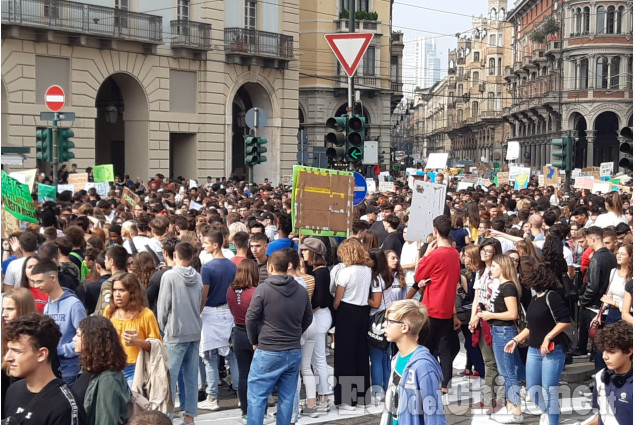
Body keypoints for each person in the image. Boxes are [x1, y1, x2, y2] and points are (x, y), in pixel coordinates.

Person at [245, 250, 313, 425]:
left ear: (270, 267)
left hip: (268, 348)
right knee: (287, 397)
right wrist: (295, 333)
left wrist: (255, 341)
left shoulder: (264, 289)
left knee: (257, 397)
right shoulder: (300, 289)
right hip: (293, 349)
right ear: (288, 266)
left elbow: (251, 318)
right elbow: (308, 318)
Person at [505, 263, 571, 425]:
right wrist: (516, 339)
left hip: (552, 351)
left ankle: (552, 420)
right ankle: (548, 412)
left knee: (549, 390)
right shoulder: (535, 299)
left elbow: (565, 320)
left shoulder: (552, 297)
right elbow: (530, 326)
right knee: (533, 389)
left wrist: (548, 337)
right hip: (534, 350)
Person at [410, 215, 461, 396]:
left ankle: (427, 379)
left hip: (431, 307)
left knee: (425, 347)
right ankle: (445, 383)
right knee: (445, 348)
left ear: (435, 231)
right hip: (447, 307)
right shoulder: (455, 254)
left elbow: (418, 276)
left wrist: (425, 255)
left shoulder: (436, 254)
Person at [3, 313, 87, 424]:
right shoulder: (13, 391)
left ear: (42, 354)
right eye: (8, 350)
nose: (7, 358)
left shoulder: (65, 406)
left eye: (17, 351)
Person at [157, 242, 203, 425]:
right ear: (191, 257)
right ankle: (190, 417)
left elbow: (163, 306)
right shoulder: (198, 277)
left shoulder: (169, 276)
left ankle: (167, 417)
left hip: (175, 332)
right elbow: (200, 301)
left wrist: (164, 327)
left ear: (174, 255)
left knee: (169, 378)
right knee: (191, 376)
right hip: (194, 329)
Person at [380, 299, 446, 425]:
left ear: (404, 327)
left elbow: (434, 417)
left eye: (390, 321)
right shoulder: (396, 359)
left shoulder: (423, 366)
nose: (384, 325)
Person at [477, 255, 525, 423]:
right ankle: (511, 406)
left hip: (504, 332)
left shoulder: (508, 287)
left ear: (503, 267)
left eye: (495, 266)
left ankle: (516, 411)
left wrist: (490, 314)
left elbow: (513, 314)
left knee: (508, 372)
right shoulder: (504, 286)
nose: (491, 268)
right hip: (499, 330)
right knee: (506, 371)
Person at [332, 238, 375, 409]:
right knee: (361, 353)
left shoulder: (346, 272)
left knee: (345, 355)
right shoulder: (367, 271)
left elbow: (337, 299)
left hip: (347, 311)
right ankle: (362, 396)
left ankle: (347, 399)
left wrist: (335, 308)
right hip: (363, 311)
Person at [199, 230, 239, 411]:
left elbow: (203, 296)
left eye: (205, 243)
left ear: (215, 244)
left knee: (210, 357)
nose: (203, 245)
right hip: (228, 313)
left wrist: (197, 312)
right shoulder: (232, 266)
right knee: (232, 356)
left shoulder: (207, 268)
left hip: (210, 313)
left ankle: (213, 397)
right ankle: (240, 394)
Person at [32, 260, 87, 385]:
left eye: (39, 281)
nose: (36, 286)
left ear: (53, 278)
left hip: (70, 369)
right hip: (52, 368)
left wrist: (59, 350)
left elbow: (84, 337)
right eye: (34, 281)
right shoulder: (47, 306)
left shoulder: (74, 304)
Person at [104, 273, 162, 387]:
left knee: (133, 402)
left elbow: (157, 346)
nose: (117, 295)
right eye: (114, 290)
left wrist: (138, 342)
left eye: (121, 290)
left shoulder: (146, 315)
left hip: (135, 368)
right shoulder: (109, 311)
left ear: (132, 293)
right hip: (112, 367)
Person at [71, 316, 130, 425]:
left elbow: (106, 420)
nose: (74, 339)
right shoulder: (88, 370)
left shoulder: (108, 380)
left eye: (78, 335)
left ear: (92, 340)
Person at [468, 238, 502, 411]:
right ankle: (490, 397)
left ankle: (491, 398)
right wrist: (473, 317)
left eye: (488, 251)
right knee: (487, 360)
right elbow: (476, 298)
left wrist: (478, 315)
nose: (484, 253)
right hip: (480, 318)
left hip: (493, 319)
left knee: (492, 362)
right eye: (482, 250)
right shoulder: (481, 271)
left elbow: (494, 300)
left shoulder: (498, 271)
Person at [300, 237, 333, 413]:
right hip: (320, 315)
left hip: (319, 315)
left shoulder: (320, 272)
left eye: (305, 250)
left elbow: (319, 299)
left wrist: (307, 312)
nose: (303, 253)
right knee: (317, 359)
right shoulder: (320, 271)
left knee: (318, 358)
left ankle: (324, 396)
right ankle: (322, 396)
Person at [227, 259, 260, 423]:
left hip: (238, 332)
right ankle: (260, 410)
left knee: (243, 374)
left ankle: (245, 411)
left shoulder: (230, 291)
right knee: (258, 375)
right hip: (255, 334)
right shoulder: (256, 291)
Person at [588, 320, 633, 425]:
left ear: (629, 351)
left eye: (611, 352)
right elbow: (602, 417)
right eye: (603, 351)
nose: (605, 357)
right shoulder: (600, 377)